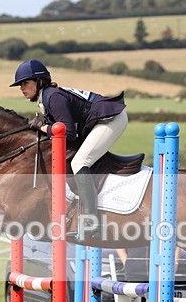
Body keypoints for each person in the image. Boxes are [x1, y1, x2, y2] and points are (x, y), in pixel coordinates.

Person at [10, 59, 128, 238]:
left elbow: (68, 133)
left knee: (80, 162)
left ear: (39, 81)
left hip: (110, 119)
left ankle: (91, 223)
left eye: (25, 83)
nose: (22, 88)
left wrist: (42, 127)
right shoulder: (47, 97)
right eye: (20, 85)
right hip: (97, 121)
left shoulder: (52, 96)